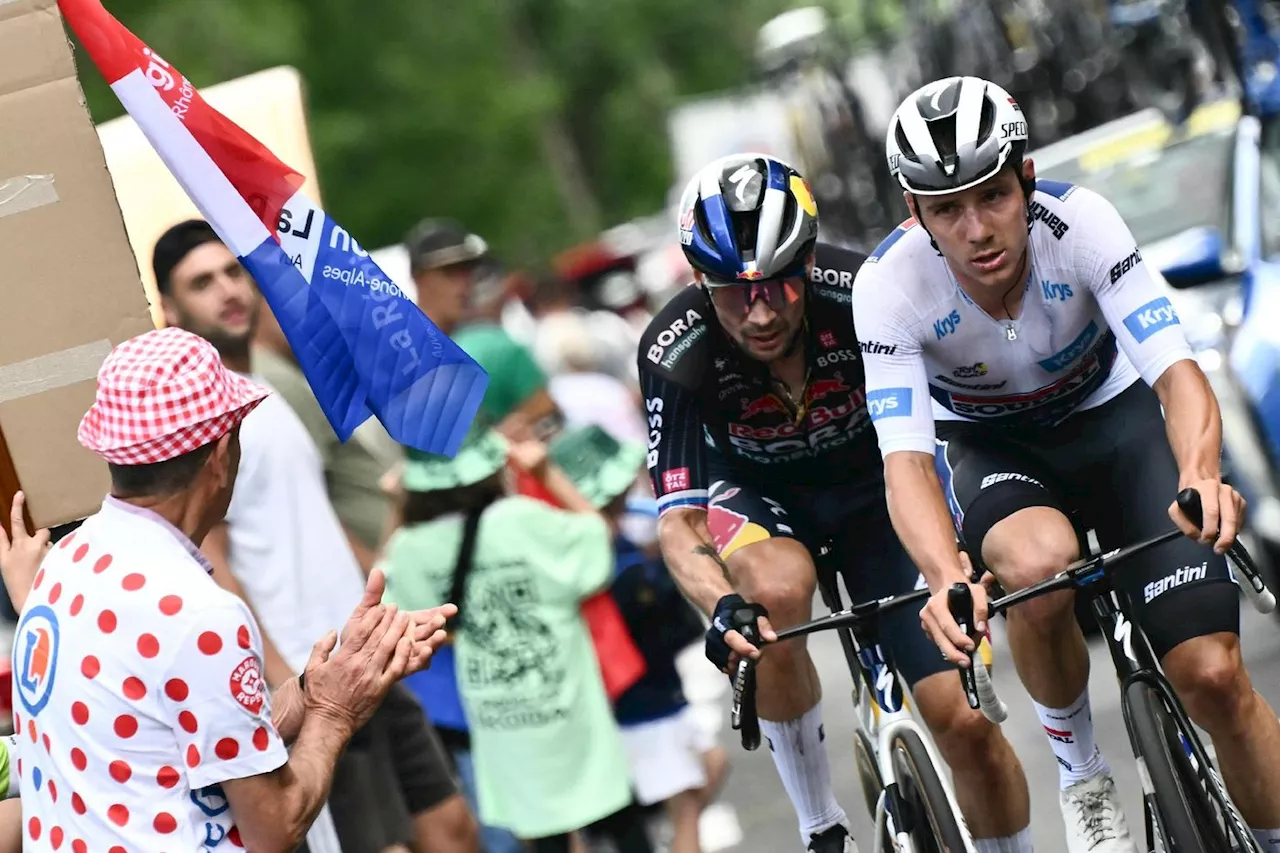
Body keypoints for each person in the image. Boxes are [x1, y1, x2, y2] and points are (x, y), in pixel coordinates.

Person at [852, 74, 1280, 853]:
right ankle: (1081, 771)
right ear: (916, 214)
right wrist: (947, 571)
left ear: (1026, 177)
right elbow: (906, 461)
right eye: (947, 209)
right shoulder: (888, 287)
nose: (977, 229)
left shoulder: (1081, 224)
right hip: (998, 452)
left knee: (1217, 679)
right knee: (1037, 567)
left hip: (1115, 426)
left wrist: (1200, 472)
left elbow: (1177, 374)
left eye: (991, 196)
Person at [638, 153, 1031, 853]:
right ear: (700, 279)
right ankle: (820, 821)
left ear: (809, 262)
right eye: (733, 292)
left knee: (968, 727)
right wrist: (720, 602)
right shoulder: (675, 345)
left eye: (779, 288)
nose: (759, 313)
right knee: (773, 595)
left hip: (878, 492)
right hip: (761, 500)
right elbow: (679, 519)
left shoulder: (863, 291)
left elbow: (951, 420)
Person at [7, 326, 452, 851]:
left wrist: (321, 686)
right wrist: (336, 714)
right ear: (222, 453)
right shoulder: (197, 613)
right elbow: (275, 826)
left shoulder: (63, 566)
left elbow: (203, 734)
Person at [151, 219, 479, 853]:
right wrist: (289, 692)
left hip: (363, 656)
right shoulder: (200, 418)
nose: (227, 290)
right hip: (313, 678)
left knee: (453, 830)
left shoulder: (272, 385)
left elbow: (312, 518)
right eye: (201, 282)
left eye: (232, 271)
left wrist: (390, 591)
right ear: (169, 307)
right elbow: (213, 563)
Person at [377, 428, 651, 853]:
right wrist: (547, 472)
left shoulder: (412, 547)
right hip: (568, 704)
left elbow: (389, 593)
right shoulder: (524, 520)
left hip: (500, 719)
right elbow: (597, 540)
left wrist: (396, 506)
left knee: (544, 837)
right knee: (619, 820)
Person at [550, 426, 729, 853]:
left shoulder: (592, 544)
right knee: (683, 808)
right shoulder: (610, 557)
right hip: (642, 706)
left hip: (644, 700)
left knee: (711, 765)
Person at [406, 218, 561, 442]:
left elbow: (547, 405)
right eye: (449, 272)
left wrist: (498, 439)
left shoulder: (494, 345)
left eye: (467, 270)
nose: (463, 285)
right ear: (419, 278)